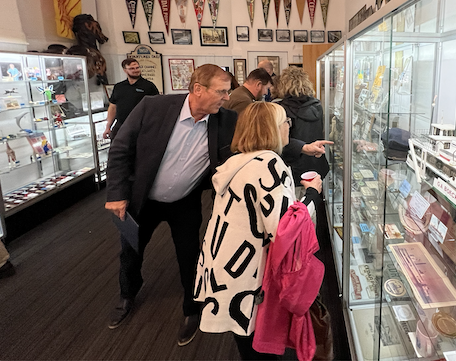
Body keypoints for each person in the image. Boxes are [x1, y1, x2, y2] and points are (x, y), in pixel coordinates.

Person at [104, 64, 238, 347]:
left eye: (228, 92)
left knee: (190, 256)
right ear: (198, 89)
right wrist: (116, 192)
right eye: (222, 91)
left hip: (184, 201)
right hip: (143, 199)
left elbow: (260, 136)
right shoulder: (154, 106)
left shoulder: (226, 120)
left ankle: (191, 308)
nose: (227, 97)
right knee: (131, 251)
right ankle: (127, 295)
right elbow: (120, 147)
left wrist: (301, 148)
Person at [194, 101, 322, 360]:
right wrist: (312, 194)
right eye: (286, 121)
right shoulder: (269, 163)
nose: (289, 126)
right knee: (258, 348)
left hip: (223, 267)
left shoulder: (240, 160)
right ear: (273, 128)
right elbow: (286, 229)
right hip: (246, 273)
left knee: (245, 342)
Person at [275, 67, 330, 189]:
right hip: (317, 163)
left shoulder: (280, 110)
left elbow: (280, 141)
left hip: (292, 166)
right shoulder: (317, 106)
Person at [103, 58, 159, 139]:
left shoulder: (148, 86)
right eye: (132, 68)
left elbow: (156, 107)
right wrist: (108, 127)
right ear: (125, 70)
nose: (136, 70)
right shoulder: (119, 87)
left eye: (137, 67)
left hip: (141, 125)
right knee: (116, 149)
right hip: (121, 124)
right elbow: (112, 107)